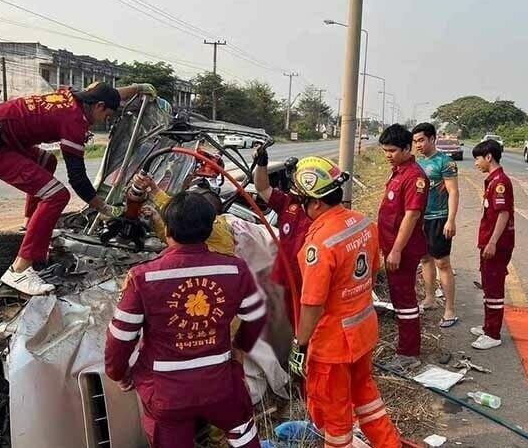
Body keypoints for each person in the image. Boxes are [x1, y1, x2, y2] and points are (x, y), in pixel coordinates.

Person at [0, 81, 157, 296]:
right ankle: (19, 269)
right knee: (57, 195)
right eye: (107, 116)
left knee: (47, 163)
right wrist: (105, 208)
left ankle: (31, 226)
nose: (104, 121)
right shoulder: (74, 121)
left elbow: (108, 94)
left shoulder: (72, 98)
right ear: (99, 106)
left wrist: (139, 87)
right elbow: (78, 179)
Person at [104, 191, 265, 448]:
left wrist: (119, 373)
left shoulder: (143, 278)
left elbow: (120, 337)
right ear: (211, 227)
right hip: (221, 385)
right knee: (243, 436)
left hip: (167, 393)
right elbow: (256, 316)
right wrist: (238, 351)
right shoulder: (235, 269)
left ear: (167, 229)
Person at [287, 156, 400, 448]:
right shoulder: (362, 223)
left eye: (302, 201)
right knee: (366, 396)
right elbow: (371, 273)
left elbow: (312, 303)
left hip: (333, 345)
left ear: (316, 203)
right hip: (363, 330)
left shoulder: (320, 243)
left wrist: (300, 344)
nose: (300, 207)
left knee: (336, 416)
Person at [378, 124, 428, 370]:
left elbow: (411, 215)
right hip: (391, 246)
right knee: (398, 297)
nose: (388, 155)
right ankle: (405, 341)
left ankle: (408, 353)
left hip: (403, 249)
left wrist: (396, 250)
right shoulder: (398, 171)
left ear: (408, 148)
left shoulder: (414, 176)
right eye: (385, 150)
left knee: (405, 298)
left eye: (393, 150)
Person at [253, 148, 311, 328]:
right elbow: (262, 188)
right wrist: (262, 165)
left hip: (308, 278)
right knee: (282, 320)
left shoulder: (321, 211)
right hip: (284, 275)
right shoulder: (287, 203)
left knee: (305, 321)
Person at [412, 122, 459, 328]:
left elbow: (453, 192)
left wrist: (451, 219)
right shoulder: (417, 163)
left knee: (443, 263)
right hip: (421, 219)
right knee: (424, 259)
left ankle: (450, 309)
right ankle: (430, 298)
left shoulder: (445, 163)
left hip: (439, 218)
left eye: (421, 140)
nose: (418, 145)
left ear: (432, 139)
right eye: (415, 141)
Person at [470, 139, 515, 350]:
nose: (476, 163)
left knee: (494, 287)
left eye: (477, 159)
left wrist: (492, 243)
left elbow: (503, 214)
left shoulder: (500, 183)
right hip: (489, 240)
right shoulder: (492, 180)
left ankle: (493, 333)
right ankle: (488, 325)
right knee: (488, 284)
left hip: (496, 243)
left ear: (489, 157)